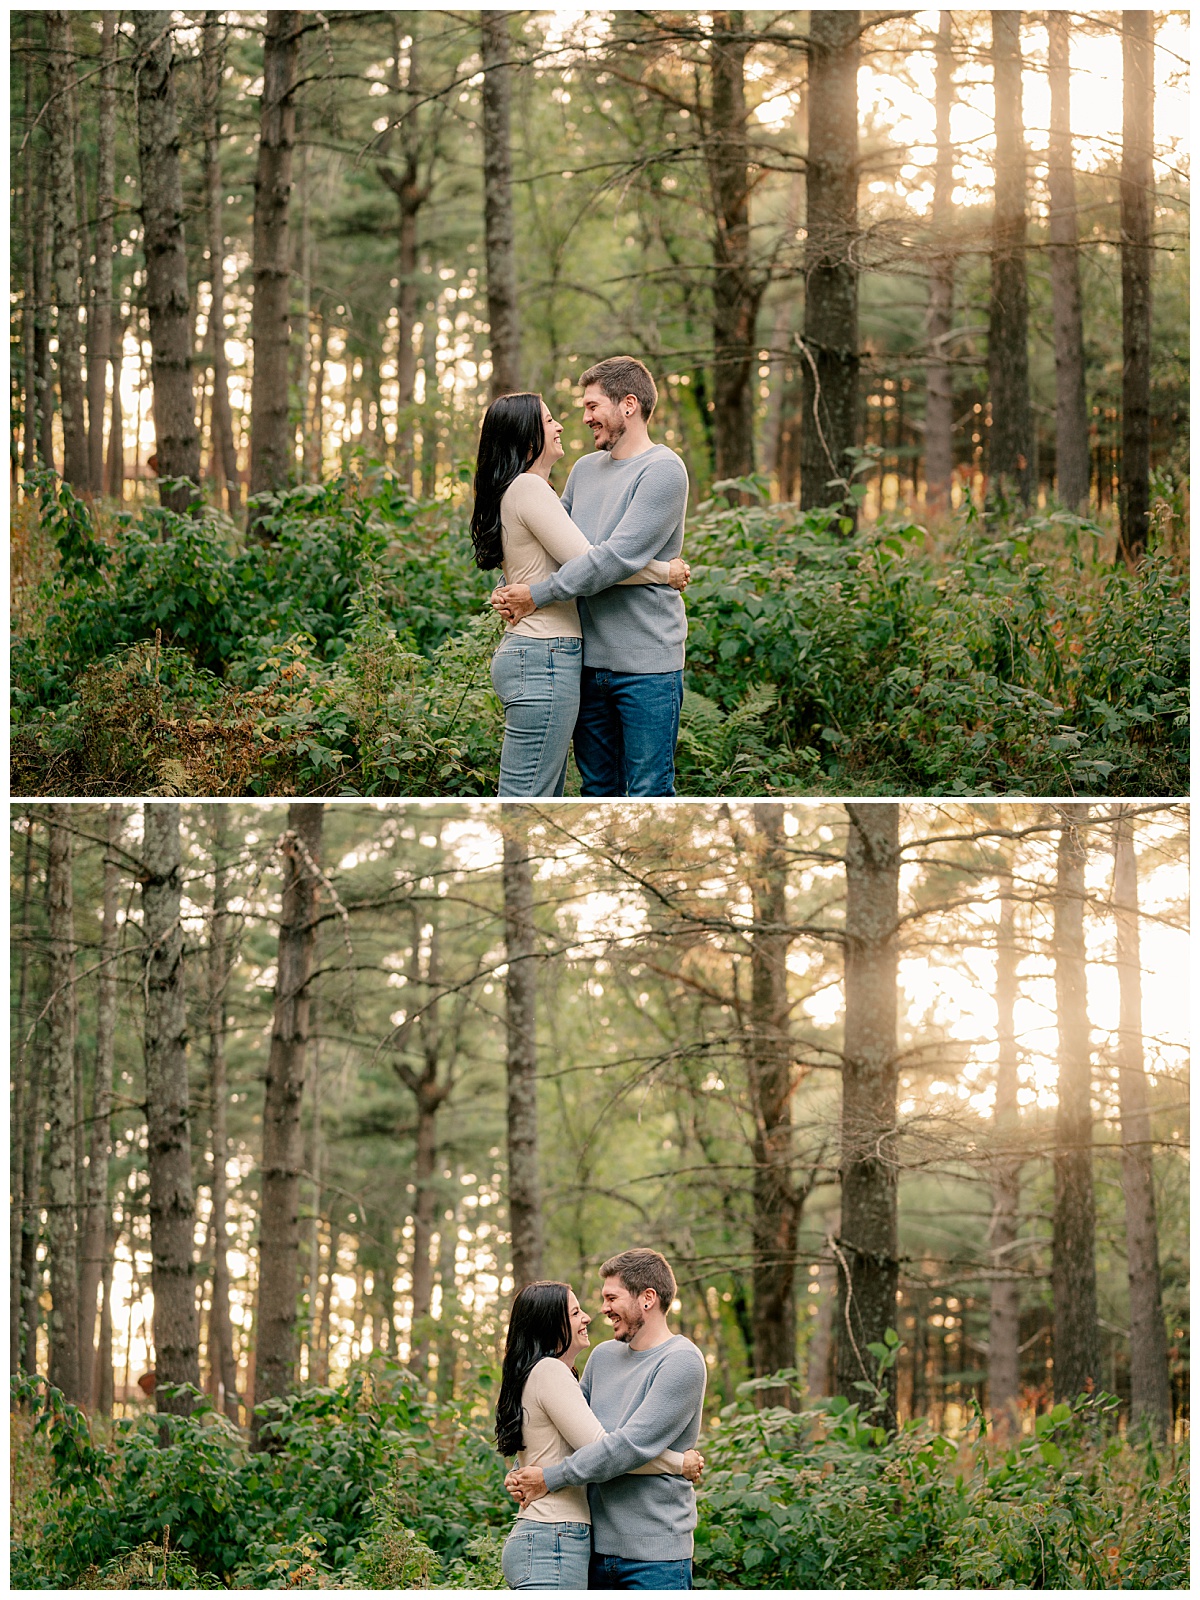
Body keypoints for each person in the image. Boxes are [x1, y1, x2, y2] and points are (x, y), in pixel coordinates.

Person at [471, 392, 690, 797]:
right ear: (528, 436)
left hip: (562, 655)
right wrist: (663, 571)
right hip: (545, 655)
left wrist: (519, 589)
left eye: (591, 406)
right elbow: (590, 560)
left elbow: (565, 560)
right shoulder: (536, 488)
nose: (565, 424)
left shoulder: (658, 469)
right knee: (529, 795)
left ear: (628, 404)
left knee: (547, 793)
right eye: (550, 419)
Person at [505, 1249, 707, 1591]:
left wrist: (549, 1478)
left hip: (655, 1559)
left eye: (611, 1297)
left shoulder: (681, 1361)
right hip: (591, 1551)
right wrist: (523, 1469)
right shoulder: (602, 1357)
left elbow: (626, 1448)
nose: (602, 1309)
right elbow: (574, 1434)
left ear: (647, 1299)